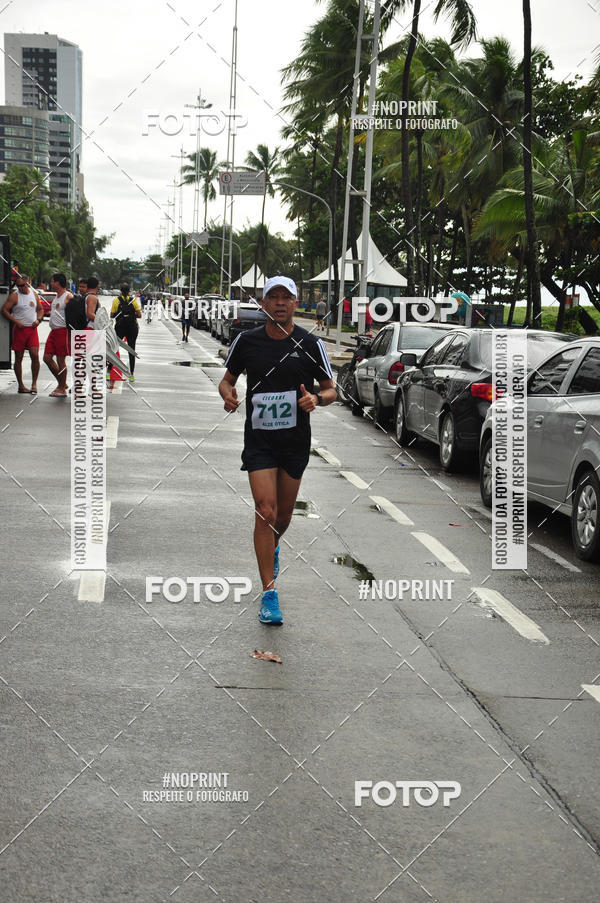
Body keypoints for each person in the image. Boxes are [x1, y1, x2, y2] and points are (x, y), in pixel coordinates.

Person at [218, 275, 336, 625]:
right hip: (259, 440)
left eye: (287, 297)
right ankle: (269, 593)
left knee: (283, 517)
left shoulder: (310, 344)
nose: (280, 303)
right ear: (264, 303)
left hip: (295, 441)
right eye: (274, 297)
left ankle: (274, 548)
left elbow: (332, 390)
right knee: (264, 511)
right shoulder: (247, 341)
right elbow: (227, 380)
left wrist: (316, 398)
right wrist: (227, 394)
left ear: (295, 304)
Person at [1, 273, 44, 393]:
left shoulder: (34, 294)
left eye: (22, 285)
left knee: (35, 355)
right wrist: (16, 321)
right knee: (18, 357)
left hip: (32, 329)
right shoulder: (14, 296)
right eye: (18, 285)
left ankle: (34, 384)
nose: (20, 288)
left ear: (28, 282)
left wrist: (38, 320)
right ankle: (21, 385)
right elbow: (4, 310)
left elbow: (40, 309)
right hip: (20, 330)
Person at [44, 273, 72, 397]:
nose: (51, 283)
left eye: (52, 281)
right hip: (53, 331)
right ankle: (62, 382)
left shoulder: (68, 296)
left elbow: (75, 313)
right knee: (47, 358)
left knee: (61, 360)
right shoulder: (56, 297)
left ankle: (62, 388)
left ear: (58, 282)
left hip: (62, 332)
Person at [110, 283, 141, 380]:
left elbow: (111, 315)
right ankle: (131, 374)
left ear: (120, 290)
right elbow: (139, 315)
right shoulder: (134, 301)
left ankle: (108, 371)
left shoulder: (116, 300)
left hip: (119, 327)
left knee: (113, 349)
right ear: (129, 291)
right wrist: (131, 316)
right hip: (132, 327)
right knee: (132, 349)